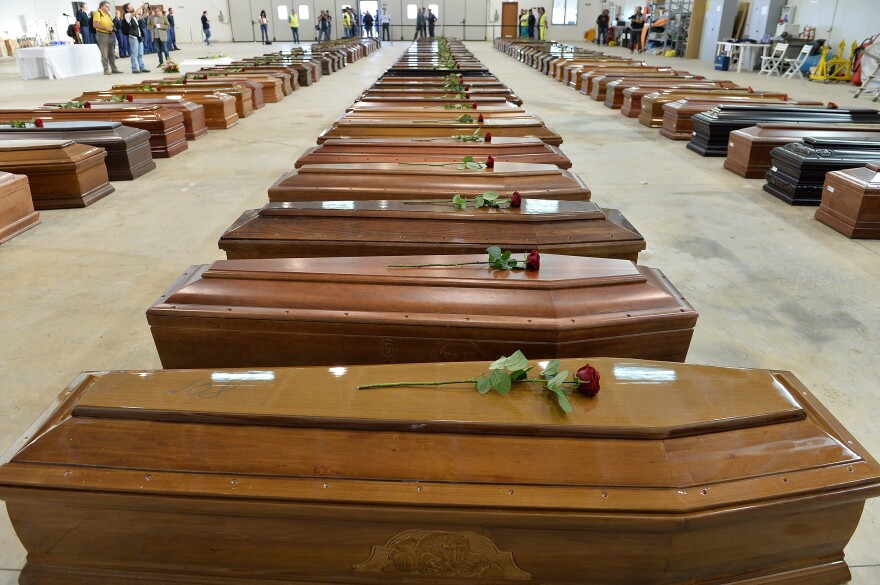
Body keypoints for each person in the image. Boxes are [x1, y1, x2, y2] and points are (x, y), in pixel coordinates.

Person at [92, 1, 121, 74]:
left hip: (110, 34)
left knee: (112, 52)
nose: (108, 8)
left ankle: (114, 68)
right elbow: (95, 25)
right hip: (102, 34)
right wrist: (106, 28)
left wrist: (112, 29)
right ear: (102, 6)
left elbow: (111, 24)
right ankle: (106, 69)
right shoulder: (98, 13)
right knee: (104, 53)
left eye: (108, 7)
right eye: (106, 6)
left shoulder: (107, 15)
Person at [122, 3, 149, 73]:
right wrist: (142, 6)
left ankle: (142, 67)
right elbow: (135, 12)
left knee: (140, 53)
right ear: (127, 9)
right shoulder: (127, 15)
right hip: (133, 37)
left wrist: (145, 9)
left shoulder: (134, 16)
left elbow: (143, 16)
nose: (132, 7)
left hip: (139, 36)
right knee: (134, 53)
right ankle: (134, 68)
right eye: (130, 6)